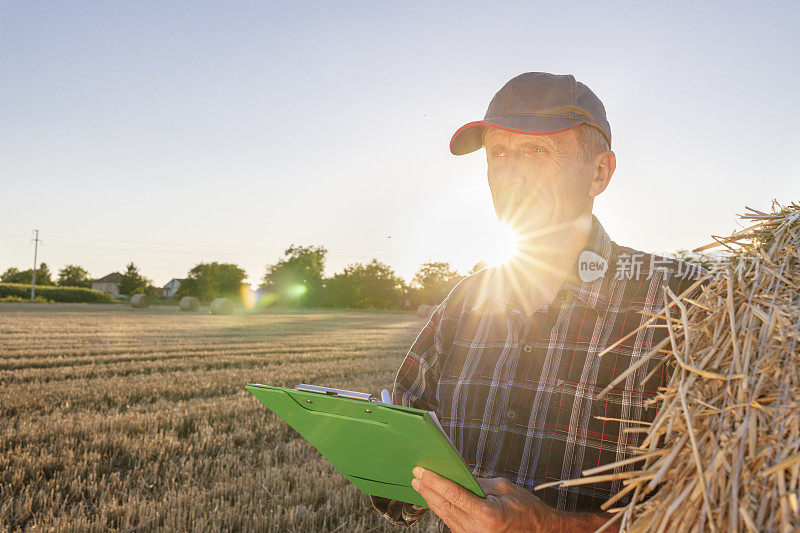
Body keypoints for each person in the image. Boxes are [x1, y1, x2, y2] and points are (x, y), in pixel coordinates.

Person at [371, 72, 708, 532]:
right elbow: (400, 462)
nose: (509, 175)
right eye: (498, 153)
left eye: (537, 151)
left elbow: (728, 506)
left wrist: (548, 527)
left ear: (599, 173)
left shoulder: (689, 303)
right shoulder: (464, 301)